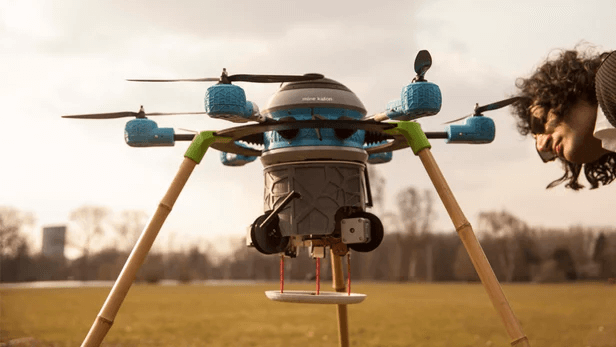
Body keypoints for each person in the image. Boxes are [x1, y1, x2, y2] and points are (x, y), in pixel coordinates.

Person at [510, 48, 616, 190]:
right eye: (544, 154)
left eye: (538, 123)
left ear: (562, 90)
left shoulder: (612, 76)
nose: (542, 146)